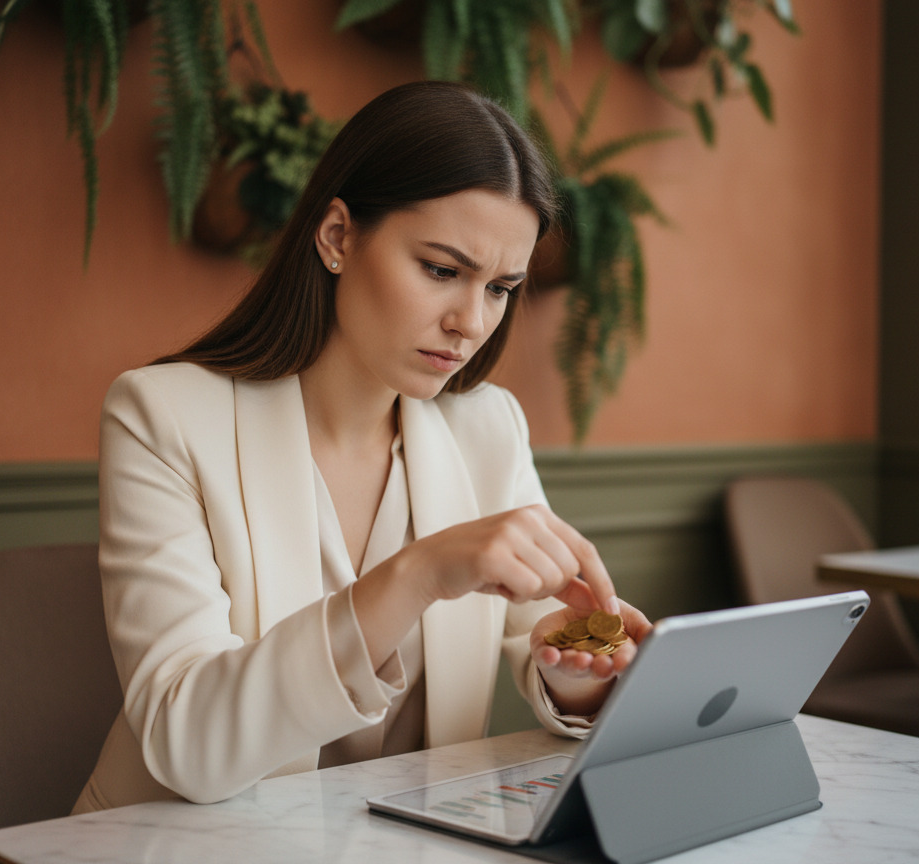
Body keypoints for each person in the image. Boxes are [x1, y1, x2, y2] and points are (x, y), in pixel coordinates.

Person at [73, 80, 651, 814]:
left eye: (502, 286)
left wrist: (576, 671)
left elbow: (534, 641)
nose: (471, 321)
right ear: (338, 236)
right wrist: (414, 574)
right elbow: (188, 741)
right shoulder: (162, 417)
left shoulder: (487, 426)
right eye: (442, 270)